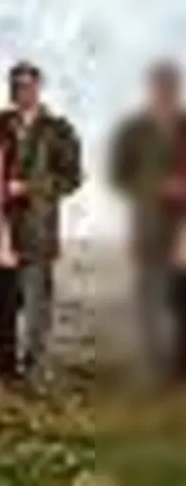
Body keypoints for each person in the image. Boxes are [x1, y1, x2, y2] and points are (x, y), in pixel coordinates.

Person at [0, 62, 82, 389]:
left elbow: (72, 179)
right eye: (15, 85)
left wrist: (31, 187)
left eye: (27, 85)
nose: (21, 91)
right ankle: (5, 366)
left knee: (37, 304)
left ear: (39, 88)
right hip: (0, 227)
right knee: (3, 302)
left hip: (38, 228)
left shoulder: (58, 129)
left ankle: (37, 369)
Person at [107, 61, 186, 384]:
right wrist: (154, 187)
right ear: (151, 89)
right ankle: (156, 368)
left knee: (182, 300)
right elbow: (118, 176)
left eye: (170, 86)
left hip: (184, 229)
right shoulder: (133, 130)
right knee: (149, 298)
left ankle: (180, 366)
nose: (165, 92)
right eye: (159, 86)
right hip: (148, 225)